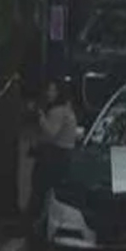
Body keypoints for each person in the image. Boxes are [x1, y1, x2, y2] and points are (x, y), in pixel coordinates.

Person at [26, 81, 78, 237]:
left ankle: (31, 224)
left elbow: (51, 133)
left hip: (54, 155)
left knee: (39, 188)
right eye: (48, 90)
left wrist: (40, 116)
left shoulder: (57, 111)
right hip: (64, 154)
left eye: (52, 90)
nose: (49, 93)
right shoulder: (67, 110)